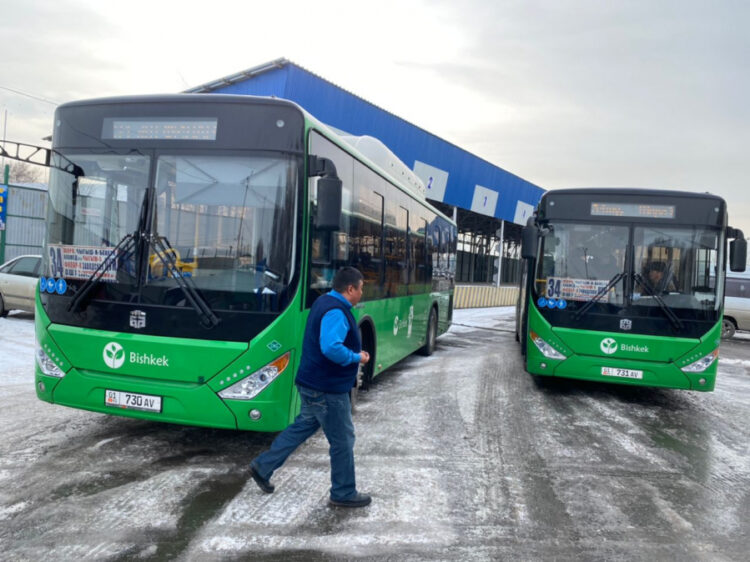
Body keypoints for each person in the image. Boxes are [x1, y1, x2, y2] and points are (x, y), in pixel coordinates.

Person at [249, 266, 372, 507]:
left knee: (302, 427)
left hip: (312, 383)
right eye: (361, 289)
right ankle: (344, 492)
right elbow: (331, 347)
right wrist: (357, 357)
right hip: (327, 388)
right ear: (350, 289)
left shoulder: (324, 301)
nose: (361, 293)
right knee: (343, 440)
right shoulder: (336, 311)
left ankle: (262, 467)